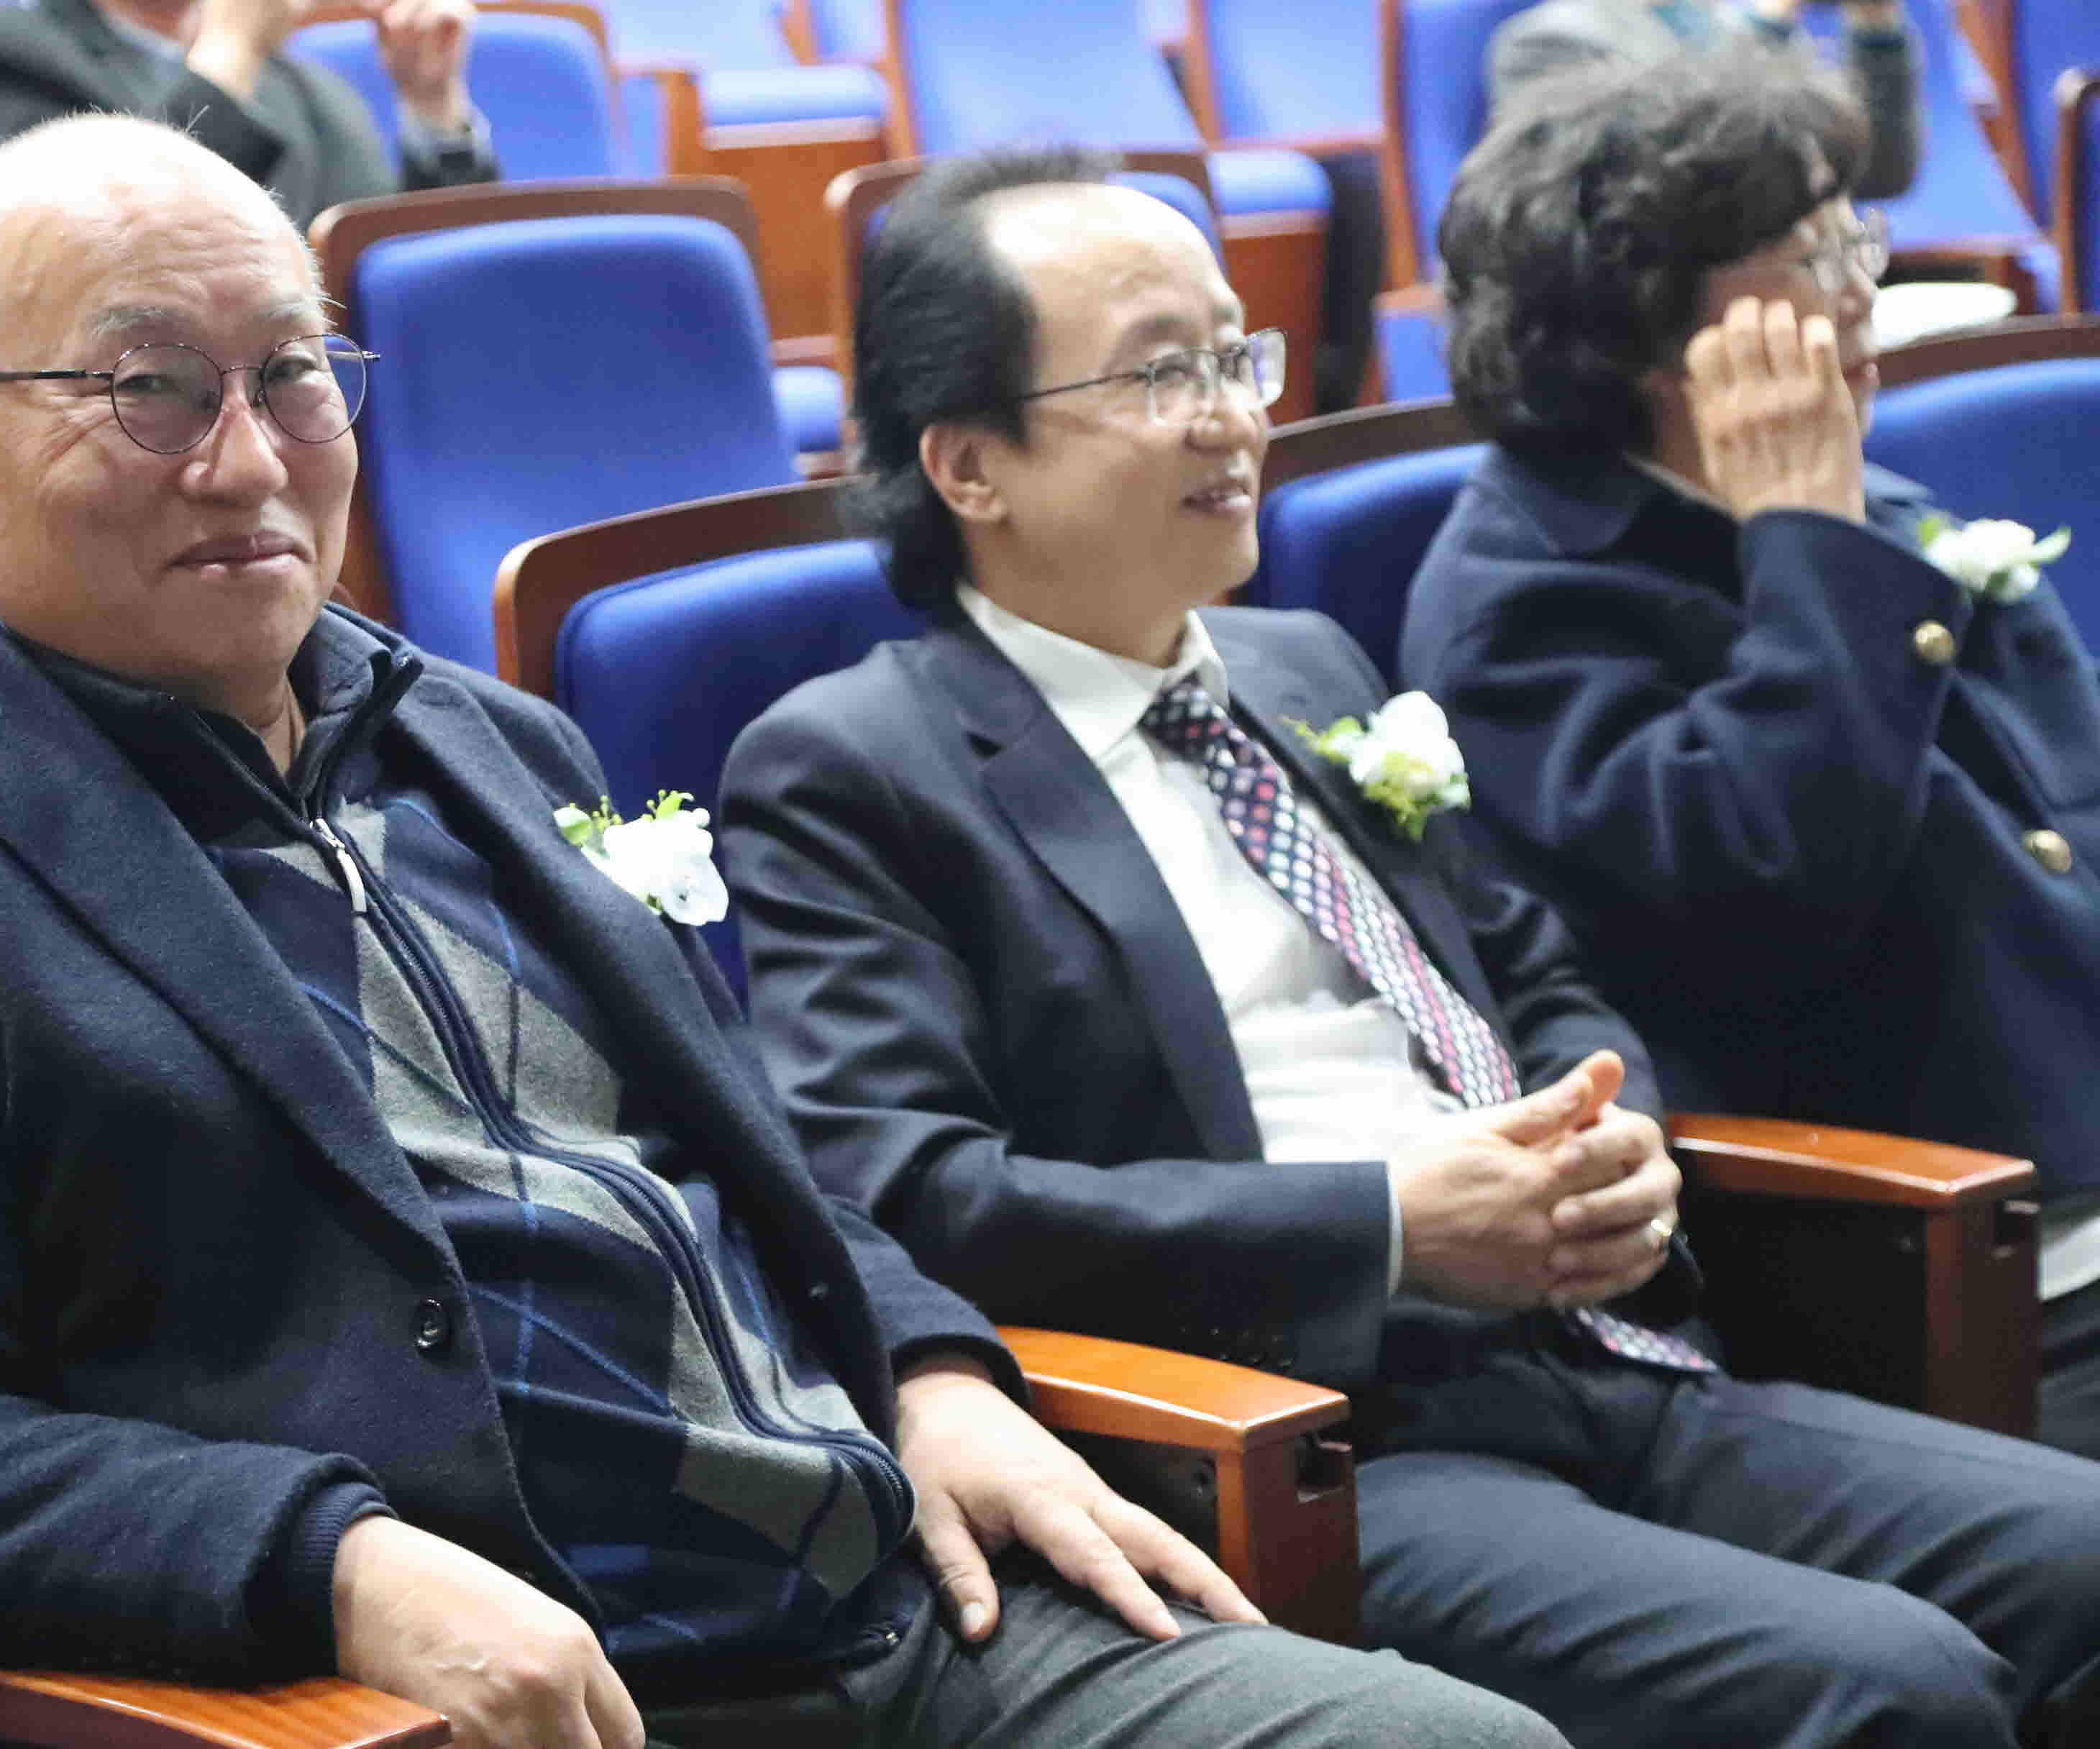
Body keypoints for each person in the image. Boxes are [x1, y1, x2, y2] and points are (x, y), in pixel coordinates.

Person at [0, 114, 1562, 1749]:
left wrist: (929, 1366)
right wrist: (333, 1564)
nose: (249, 456)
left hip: (898, 1592)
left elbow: (762, 1159)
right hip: (502, 1691)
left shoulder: (485, 739)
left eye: (291, 375)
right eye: (147, 391)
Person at [717, 142, 2100, 1749]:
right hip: (1314, 1427)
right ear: (970, 465)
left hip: (1594, 1344)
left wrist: (1611, 1133)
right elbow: (915, 1190)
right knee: (1890, 1682)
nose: (1234, 418)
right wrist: (1384, 1227)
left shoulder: (1301, 662)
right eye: (1161, 374)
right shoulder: (854, 765)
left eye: (1235, 355)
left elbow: (1534, 966)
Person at [1400, 48, 2100, 1461]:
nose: (1859, 290)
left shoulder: (1856, 492)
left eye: (1856, 236)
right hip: (1962, 1244)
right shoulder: (1522, 606)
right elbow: (1780, 886)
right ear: (1643, 329)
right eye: (1808, 256)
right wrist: (1806, 542)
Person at [0, 0, 494, 227]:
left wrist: (432, 105)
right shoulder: (8, 56)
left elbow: (398, 270)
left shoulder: (310, 85)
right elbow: (128, 249)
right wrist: (231, 51)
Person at [1489, 0, 1919, 198]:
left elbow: (1878, 177)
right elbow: (1679, 196)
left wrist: (1875, 27)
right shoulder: (1548, 42)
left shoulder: (1736, 22)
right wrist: (1767, 29)